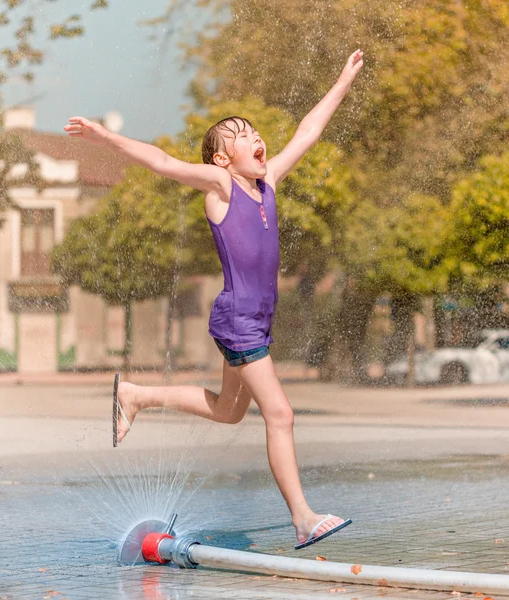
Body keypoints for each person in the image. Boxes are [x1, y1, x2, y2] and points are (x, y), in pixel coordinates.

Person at [64, 49, 363, 549]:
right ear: (223, 158)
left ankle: (135, 396)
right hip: (241, 321)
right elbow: (161, 162)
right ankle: (303, 518)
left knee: (229, 412)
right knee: (281, 415)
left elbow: (308, 133)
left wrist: (342, 81)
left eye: (255, 132)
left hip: (252, 320)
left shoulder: (267, 184)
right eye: (242, 136)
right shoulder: (221, 185)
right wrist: (105, 137)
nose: (257, 139)